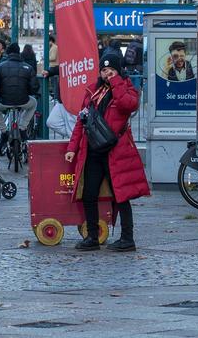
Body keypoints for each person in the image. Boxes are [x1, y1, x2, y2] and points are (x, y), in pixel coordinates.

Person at [64, 53, 149, 251]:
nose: (107, 73)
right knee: (89, 194)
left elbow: (128, 104)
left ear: (119, 70)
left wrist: (116, 82)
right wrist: (72, 148)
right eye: (104, 70)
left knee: (122, 195)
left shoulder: (127, 89)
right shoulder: (93, 92)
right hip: (93, 150)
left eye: (111, 70)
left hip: (115, 151)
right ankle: (92, 237)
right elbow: (81, 121)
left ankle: (128, 239)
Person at [0, 42, 39, 134]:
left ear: (7, 53)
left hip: (4, 101)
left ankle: (3, 130)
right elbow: (34, 87)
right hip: (23, 101)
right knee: (33, 103)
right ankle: (22, 128)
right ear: (19, 53)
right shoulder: (28, 67)